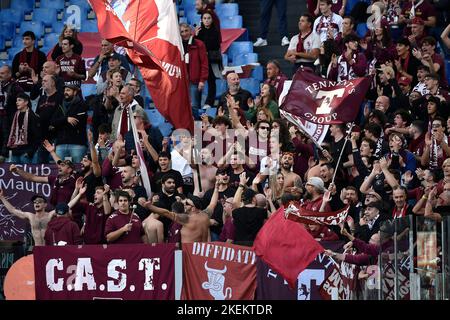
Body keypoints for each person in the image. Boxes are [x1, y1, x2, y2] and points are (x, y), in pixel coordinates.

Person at [144, 182, 220, 243]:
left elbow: (166, 213)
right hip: (201, 254)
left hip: (185, 254)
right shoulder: (205, 215)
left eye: (186, 203)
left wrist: (150, 207)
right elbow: (213, 203)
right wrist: (216, 188)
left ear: (193, 208)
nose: (184, 204)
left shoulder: (187, 219)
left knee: (177, 260)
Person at [9, 159, 76, 207]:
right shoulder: (54, 179)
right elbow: (33, 178)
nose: (59, 167)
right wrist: (17, 171)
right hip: (56, 212)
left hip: (70, 213)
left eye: (62, 165)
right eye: (59, 165)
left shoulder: (75, 181)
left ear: (69, 169)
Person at [50, 84, 88, 163]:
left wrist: (60, 123)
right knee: (60, 170)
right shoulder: (60, 105)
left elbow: (77, 122)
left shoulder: (82, 104)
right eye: (65, 90)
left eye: (68, 90)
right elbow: (53, 121)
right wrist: (66, 119)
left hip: (77, 144)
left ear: (75, 92)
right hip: (61, 143)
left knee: (79, 170)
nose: (65, 92)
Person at [195, 11, 223, 109]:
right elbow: (195, 45)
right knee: (198, 82)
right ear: (202, 20)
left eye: (208, 18)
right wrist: (195, 35)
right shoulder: (199, 31)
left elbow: (215, 45)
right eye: (205, 18)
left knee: (211, 81)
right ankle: (196, 103)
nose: (206, 20)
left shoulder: (215, 31)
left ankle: (209, 102)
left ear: (212, 20)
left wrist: (205, 49)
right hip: (200, 61)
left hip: (211, 60)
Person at [180, 23, 208, 118]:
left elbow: (204, 63)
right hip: (181, 81)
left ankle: (196, 131)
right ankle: (183, 131)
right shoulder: (177, 46)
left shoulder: (199, 44)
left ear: (190, 31)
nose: (184, 33)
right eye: (182, 32)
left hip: (194, 81)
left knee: (194, 107)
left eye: (186, 31)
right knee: (181, 107)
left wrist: (202, 80)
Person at [7, 93, 41, 164]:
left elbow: (37, 137)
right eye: (16, 101)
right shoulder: (14, 116)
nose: (17, 102)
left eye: (19, 100)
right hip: (15, 152)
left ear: (26, 102)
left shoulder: (33, 116)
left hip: (26, 152)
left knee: (26, 174)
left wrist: (30, 152)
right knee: (13, 174)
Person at [0, 65, 24, 161]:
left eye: (2, 73)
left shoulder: (15, 86)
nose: (0, 75)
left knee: (7, 136)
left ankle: (3, 155)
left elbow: (23, 101)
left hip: (9, 118)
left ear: (9, 74)